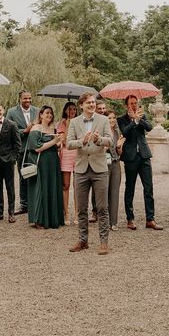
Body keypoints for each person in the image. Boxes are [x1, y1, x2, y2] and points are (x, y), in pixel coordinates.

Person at [66, 92, 112, 255]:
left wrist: (99, 140)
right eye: (89, 103)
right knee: (82, 208)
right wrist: (82, 141)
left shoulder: (104, 120)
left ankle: (103, 243)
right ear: (81, 105)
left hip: (99, 168)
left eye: (93, 102)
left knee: (102, 208)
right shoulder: (74, 122)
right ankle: (83, 240)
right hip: (81, 169)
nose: (92, 105)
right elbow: (68, 144)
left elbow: (110, 141)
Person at [117, 94, 163, 230]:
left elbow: (149, 128)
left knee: (148, 188)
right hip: (130, 157)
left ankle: (150, 219)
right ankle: (130, 219)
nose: (134, 105)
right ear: (126, 105)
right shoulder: (121, 119)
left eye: (135, 103)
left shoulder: (142, 116)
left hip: (144, 156)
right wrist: (134, 122)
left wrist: (139, 119)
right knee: (129, 188)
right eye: (131, 103)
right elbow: (124, 132)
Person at [25, 105, 65, 229]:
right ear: (41, 115)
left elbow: (56, 147)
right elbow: (36, 147)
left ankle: (53, 218)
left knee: (52, 187)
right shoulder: (36, 128)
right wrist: (53, 142)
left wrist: (59, 143)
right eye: (47, 113)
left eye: (51, 113)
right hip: (41, 163)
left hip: (53, 162)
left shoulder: (53, 129)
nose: (49, 115)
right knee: (41, 189)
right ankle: (39, 219)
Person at [6, 90, 39, 215]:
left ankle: (35, 202)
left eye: (30, 98)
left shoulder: (37, 111)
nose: (28, 101)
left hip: (36, 148)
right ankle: (24, 204)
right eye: (25, 98)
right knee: (24, 176)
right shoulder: (11, 112)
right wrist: (25, 131)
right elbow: (8, 130)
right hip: (21, 149)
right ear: (20, 99)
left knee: (36, 175)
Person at [56, 102, 78, 224]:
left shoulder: (80, 121)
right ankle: (66, 214)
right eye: (70, 109)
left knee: (77, 186)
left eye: (74, 109)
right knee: (66, 185)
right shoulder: (61, 124)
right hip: (66, 155)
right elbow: (64, 142)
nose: (73, 111)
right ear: (65, 110)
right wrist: (68, 126)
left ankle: (77, 213)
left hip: (78, 155)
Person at [88, 98, 108, 222]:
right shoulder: (92, 122)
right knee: (95, 189)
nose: (101, 110)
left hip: (110, 156)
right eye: (99, 108)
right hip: (96, 156)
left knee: (106, 188)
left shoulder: (109, 121)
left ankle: (105, 212)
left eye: (103, 109)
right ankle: (95, 211)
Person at [106, 109, 125, 231]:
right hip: (104, 164)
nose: (112, 120)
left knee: (115, 193)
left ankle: (114, 222)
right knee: (104, 192)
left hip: (116, 164)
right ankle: (104, 220)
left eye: (113, 118)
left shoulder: (118, 133)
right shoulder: (102, 132)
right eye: (109, 118)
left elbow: (120, 153)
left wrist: (119, 146)